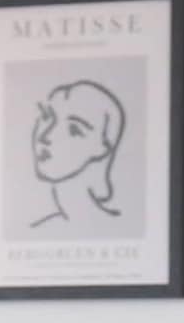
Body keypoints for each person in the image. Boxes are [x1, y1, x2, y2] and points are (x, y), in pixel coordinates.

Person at [25, 77, 129, 228]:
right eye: (47, 117)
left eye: (74, 130)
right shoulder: (42, 229)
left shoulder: (115, 227)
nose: (45, 136)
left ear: (102, 149)